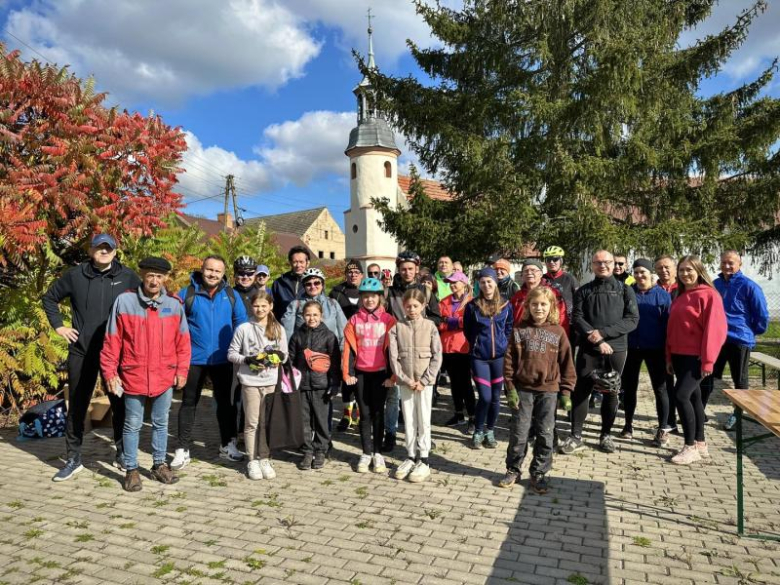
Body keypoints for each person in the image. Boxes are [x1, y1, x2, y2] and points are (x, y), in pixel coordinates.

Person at [43, 234, 141, 481]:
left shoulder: (128, 277)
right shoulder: (76, 276)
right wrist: (59, 327)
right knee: (77, 405)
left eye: (108, 248)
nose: (104, 252)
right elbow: (49, 298)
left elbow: (145, 304)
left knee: (119, 405)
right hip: (82, 351)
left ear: (115, 252)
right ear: (91, 250)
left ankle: (121, 453)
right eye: (99, 248)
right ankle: (73, 458)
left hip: (116, 355)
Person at [100, 257, 189, 491]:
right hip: (133, 375)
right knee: (132, 424)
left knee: (161, 423)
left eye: (159, 276)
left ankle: (159, 464)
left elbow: (183, 343)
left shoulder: (174, 305)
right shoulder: (125, 302)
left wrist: (182, 371)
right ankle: (131, 469)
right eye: (150, 275)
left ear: (165, 279)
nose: (154, 280)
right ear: (142, 275)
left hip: (164, 376)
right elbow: (112, 341)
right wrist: (110, 372)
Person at [172, 255, 248, 471]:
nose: (213, 274)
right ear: (202, 269)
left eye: (218, 271)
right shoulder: (187, 294)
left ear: (223, 274)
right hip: (193, 359)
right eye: (209, 270)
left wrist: (237, 349)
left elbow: (241, 323)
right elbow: (174, 325)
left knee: (226, 404)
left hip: (223, 359)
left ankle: (227, 445)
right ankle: (182, 449)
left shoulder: (231, 295)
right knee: (188, 403)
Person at [559, 250, 639, 455]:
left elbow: (632, 320)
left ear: (614, 264)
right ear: (592, 265)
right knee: (581, 392)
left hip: (616, 348)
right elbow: (576, 318)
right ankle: (576, 436)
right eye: (598, 262)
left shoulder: (625, 290)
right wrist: (595, 338)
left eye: (607, 262)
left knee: (611, 391)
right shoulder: (584, 290)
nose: (602, 265)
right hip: (589, 349)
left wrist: (602, 334)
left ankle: (606, 435)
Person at [499, 287, 575, 493]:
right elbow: (509, 362)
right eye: (534, 304)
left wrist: (566, 392)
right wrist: (510, 388)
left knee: (545, 433)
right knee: (519, 432)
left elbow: (568, 364)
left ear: (551, 306)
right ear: (528, 306)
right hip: (522, 390)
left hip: (548, 391)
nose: (539, 308)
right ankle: (513, 468)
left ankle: (539, 472)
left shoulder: (558, 332)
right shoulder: (519, 330)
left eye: (543, 304)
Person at [666, 255, 727, 464]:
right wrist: (669, 357)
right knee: (694, 398)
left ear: (699, 271)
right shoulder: (679, 296)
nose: (685, 274)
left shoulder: (710, 296)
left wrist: (708, 361)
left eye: (689, 270)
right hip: (679, 356)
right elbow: (672, 329)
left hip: (697, 358)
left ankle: (689, 446)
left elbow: (715, 330)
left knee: (680, 396)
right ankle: (701, 443)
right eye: (681, 270)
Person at [701, 250, 769, 430]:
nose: (727, 266)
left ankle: (737, 414)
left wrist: (750, 332)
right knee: (707, 376)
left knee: (739, 380)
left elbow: (761, 314)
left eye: (731, 262)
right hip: (717, 339)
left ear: (740, 264)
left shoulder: (749, 286)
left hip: (739, 339)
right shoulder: (714, 285)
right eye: (724, 262)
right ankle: (699, 412)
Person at [383, 251, 442, 452]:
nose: (407, 272)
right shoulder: (390, 292)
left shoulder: (425, 292)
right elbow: (385, 316)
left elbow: (437, 317)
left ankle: (423, 437)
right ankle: (390, 433)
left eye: (410, 268)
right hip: (398, 348)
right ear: (398, 270)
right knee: (394, 397)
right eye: (403, 268)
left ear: (417, 269)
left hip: (421, 351)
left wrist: (419, 324)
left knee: (422, 401)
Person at [227, 291, 287, 480]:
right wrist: (247, 359)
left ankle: (264, 457)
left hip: (270, 381)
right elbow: (231, 353)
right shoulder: (243, 328)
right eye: (256, 306)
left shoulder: (278, 328)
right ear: (251, 307)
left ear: (270, 307)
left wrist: (275, 359)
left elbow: (284, 354)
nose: (260, 309)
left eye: (264, 305)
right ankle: (252, 459)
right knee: (252, 422)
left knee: (266, 422)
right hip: (250, 382)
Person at [341, 278, 397, 473]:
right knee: (364, 414)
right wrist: (347, 373)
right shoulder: (354, 320)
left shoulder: (388, 320)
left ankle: (378, 453)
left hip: (382, 374)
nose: (369, 300)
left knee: (378, 413)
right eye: (365, 296)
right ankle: (365, 453)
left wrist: (393, 376)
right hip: (362, 374)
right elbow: (348, 347)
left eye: (373, 296)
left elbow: (394, 350)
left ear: (380, 297)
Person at [388, 289, 443, 482]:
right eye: (408, 306)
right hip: (406, 382)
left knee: (423, 419)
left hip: (424, 383)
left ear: (423, 306)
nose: (412, 309)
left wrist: (425, 380)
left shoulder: (430, 326)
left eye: (416, 306)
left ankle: (425, 459)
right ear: (404, 306)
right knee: (409, 420)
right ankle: (410, 455)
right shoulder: (396, 328)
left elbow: (437, 356)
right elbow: (393, 359)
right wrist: (406, 379)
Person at [621, 259, 672, 445]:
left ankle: (663, 428)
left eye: (643, 272)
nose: (640, 275)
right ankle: (627, 425)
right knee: (629, 388)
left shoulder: (663, 296)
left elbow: (669, 326)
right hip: (632, 348)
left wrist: (669, 353)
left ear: (651, 273)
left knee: (660, 389)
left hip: (656, 349)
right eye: (636, 272)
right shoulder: (628, 293)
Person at [464, 267, 514, 449]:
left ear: (495, 283)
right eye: (483, 282)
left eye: (489, 281)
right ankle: (478, 430)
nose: (486, 285)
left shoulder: (506, 305)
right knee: (484, 397)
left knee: (495, 398)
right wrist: (477, 345)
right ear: (479, 284)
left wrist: (502, 345)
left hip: (499, 358)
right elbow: (468, 331)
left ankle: (490, 431)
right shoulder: (472, 306)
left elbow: (509, 328)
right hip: (479, 358)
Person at [288, 301, 342, 470]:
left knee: (321, 420)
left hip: (321, 385)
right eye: (308, 315)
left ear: (321, 316)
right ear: (303, 316)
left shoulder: (329, 336)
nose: (311, 318)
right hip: (302, 386)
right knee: (303, 421)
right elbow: (290, 360)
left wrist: (334, 384)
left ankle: (321, 449)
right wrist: (291, 380)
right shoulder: (297, 336)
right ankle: (307, 450)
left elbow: (334, 363)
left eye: (315, 315)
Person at [439, 271, 475, 432]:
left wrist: (453, 321)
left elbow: (472, 322)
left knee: (466, 383)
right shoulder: (444, 301)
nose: (452, 285)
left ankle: (473, 417)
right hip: (447, 347)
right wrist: (455, 323)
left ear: (463, 283)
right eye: (450, 282)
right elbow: (439, 323)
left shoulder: (472, 301)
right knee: (454, 383)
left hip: (464, 347)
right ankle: (458, 414)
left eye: (455, 282)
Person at [330, 259, 364, 431]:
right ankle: (346, 415)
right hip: (343, 341)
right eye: (350, 272)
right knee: (346, 378)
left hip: (364, 343)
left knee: (359, 378)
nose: (353, 275)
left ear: (361, 275)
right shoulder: (337, 291)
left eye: (356, 272)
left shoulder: (367, 292)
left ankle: (358, 414)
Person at [282, 268, 347, 347]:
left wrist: (343, 351)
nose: (313, 286)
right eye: (308, 284)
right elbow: (288, 333)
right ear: (304, 287)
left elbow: (343, 330)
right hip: (304, 352)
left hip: (331, 352)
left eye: (316, 283)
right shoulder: (295, 305)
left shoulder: (332, 303)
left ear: (322, 284)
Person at [510, 259, 569, 335]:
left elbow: (562, 316)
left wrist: (560, 338)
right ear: (522, 276)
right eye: (526, 271)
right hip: (522, 337)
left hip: (547, 338)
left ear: (541, 274)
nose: (529, 273)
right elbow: (511, 320)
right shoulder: (517, 296)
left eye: (533, 270)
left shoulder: (552, 293)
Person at [271, 245, 310, 320]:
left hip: (306, 327)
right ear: (290, 263)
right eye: (295, 262)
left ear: (307, 263)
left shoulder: (314, 284)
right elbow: (272, 308)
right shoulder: (279, 283)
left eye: (301, 262)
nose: (298, 265)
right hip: (283, 326)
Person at [542, 245, 579, 322]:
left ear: (561, 261)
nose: (552, 262)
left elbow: (579, 300)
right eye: (548, 260)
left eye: (555, 259)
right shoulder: (542, 279)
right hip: (547, 321)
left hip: (567, 321)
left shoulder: (570, 278)